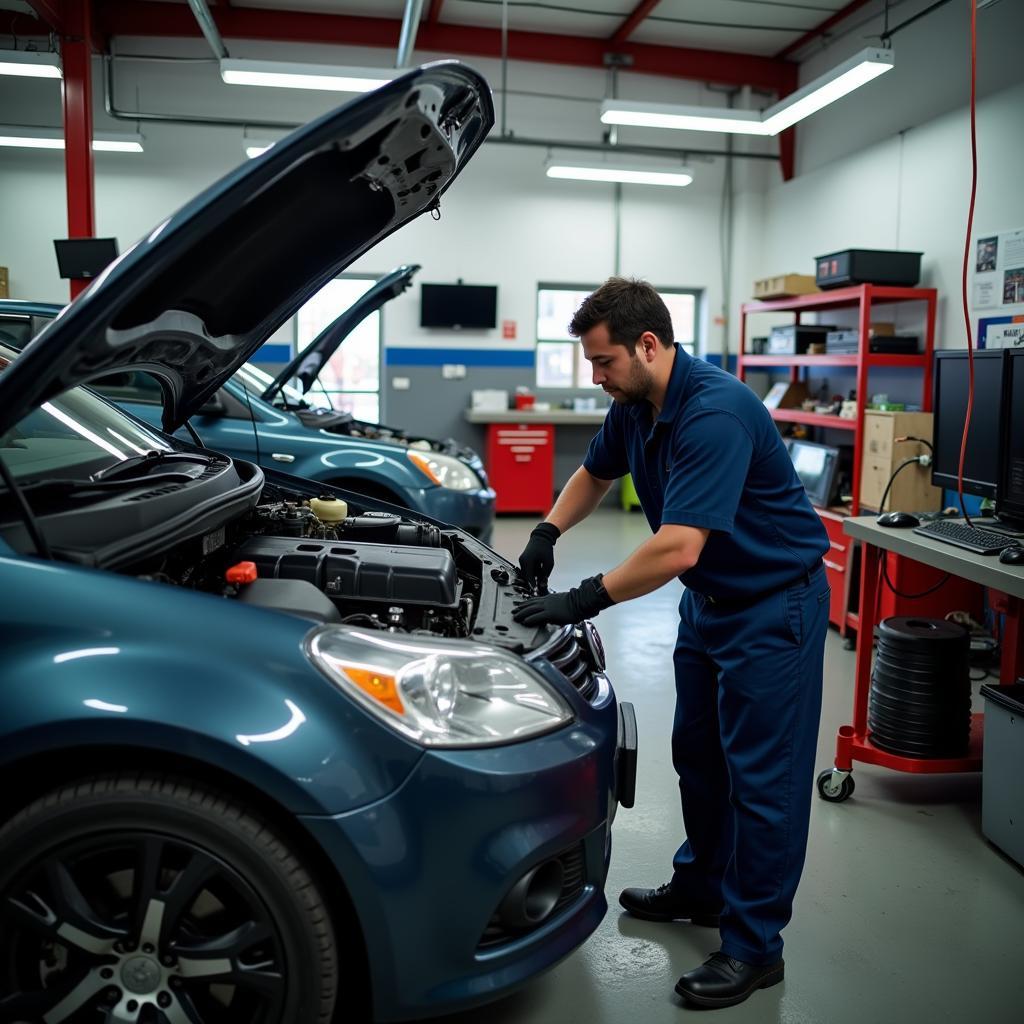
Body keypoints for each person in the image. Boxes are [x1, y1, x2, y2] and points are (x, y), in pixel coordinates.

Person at [512, 278, 830, 1010]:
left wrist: (583, 596)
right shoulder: (635, 406)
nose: (596, 379)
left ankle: (754, 947)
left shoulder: (712, 413)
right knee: (699, 758)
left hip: (771, 610)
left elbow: (678, 546)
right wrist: (545, 533)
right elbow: (595, 474)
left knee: (764, 783)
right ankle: (702, 887)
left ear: (648, 345)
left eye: (603, 362)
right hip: (711, 607)